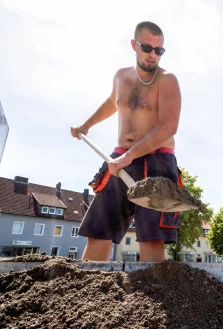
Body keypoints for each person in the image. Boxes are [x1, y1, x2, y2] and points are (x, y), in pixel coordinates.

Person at [70, 21, 182, 262]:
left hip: (156, 162)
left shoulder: (167, 80)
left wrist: (129, 156)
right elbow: (113, 102)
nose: (153, 55)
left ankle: (153, 294)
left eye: (159, 50)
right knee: (99, 230)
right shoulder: (121, 76)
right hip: (120, 159)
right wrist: (86, 125)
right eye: (147, 47)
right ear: (134, 45)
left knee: (151, 236)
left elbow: (168, 127)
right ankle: (87, 288)